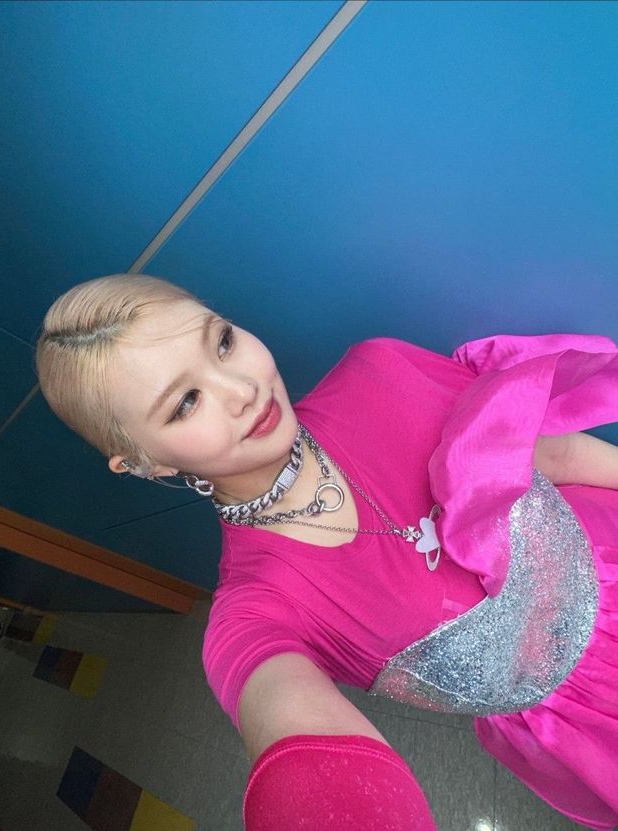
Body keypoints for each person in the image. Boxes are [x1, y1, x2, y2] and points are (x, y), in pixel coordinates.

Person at [35, 273, 618, 830]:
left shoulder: (381, 372)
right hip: (588, 724)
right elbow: (302, 752)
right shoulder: (255, 613)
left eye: (223, 342)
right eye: (186, 402)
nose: (242, 390)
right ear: (147, 463)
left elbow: (553, 457)